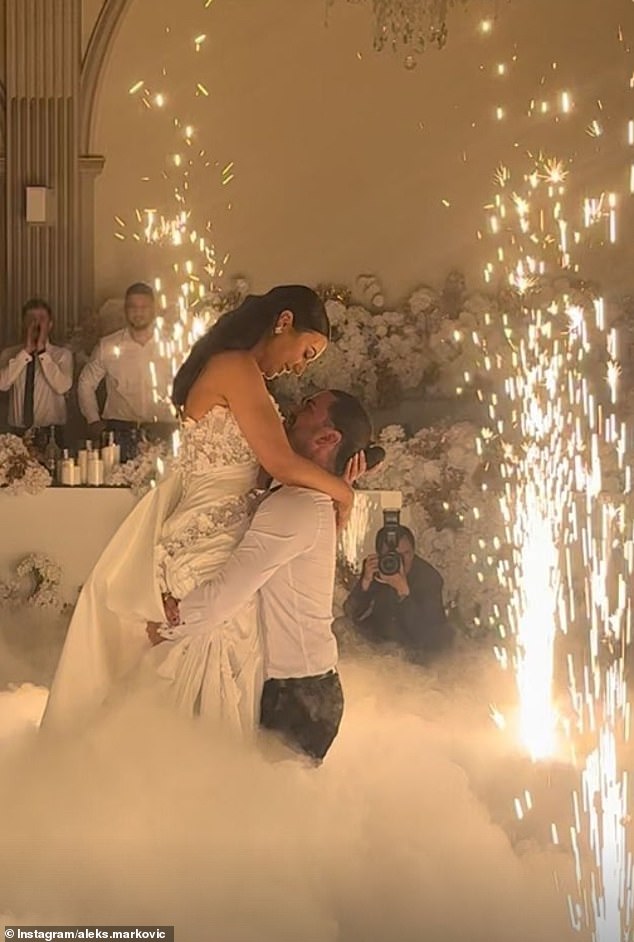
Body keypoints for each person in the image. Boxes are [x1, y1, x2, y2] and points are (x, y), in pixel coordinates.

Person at [42, 286, 356, 736]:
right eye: (307, 351)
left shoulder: (248, 376)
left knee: (223, 659)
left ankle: (200, 784)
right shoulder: (235, 368)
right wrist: (345, 496)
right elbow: (281, 464)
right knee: (207, 659)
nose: (301, 366)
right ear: (283, 321)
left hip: (221, 530)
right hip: (208, 537)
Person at [147, 389, 373, 763]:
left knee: (276, 811)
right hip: (305, 686)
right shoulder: (305, 499)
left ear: (328, 437)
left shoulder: (294, 505)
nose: (291, 414)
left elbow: (227, 592)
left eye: (307, 409)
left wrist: (168, 624)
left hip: (298, 694)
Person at [77, 282, 175, 458]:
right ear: (125, 310)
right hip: (121, 430)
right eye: (133, 307)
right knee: (117, 482)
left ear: (154, 309)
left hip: (163, 429)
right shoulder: (108, 345)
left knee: (166, 484)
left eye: (144, 307)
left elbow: (190, 381)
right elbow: (86, 382)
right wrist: (93, 420)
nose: (138, 312)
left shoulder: (172, 344)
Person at [343, 525, 453, 661]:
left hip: (416, 649)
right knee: (341, 627)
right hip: (380, 642)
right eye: (393, 556)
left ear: (413, 552)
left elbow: (428, 633)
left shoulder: (429, 578)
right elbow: (351, 613)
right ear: (379, 555)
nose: (400, 561)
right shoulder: (379, 570)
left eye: (406, 554)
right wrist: (365, 582)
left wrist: (404, 593)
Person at [0, 298, 72, 447]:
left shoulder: (62, 355)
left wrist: (42, 351)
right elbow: (3, 384)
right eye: (30, 319)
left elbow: (62, 387)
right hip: (17, 433)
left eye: (41, 319)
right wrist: (26, 351)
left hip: (50, 434)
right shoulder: (9, 354)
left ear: (50, 324)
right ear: (23, 324)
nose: (36, 324)